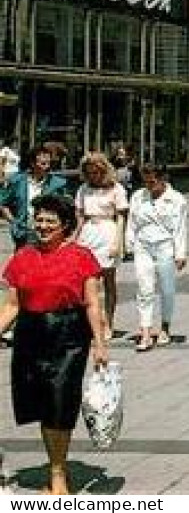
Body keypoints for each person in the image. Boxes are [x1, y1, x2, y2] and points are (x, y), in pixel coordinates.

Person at [0, 193, 110, 494]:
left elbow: (91, 304)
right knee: (41, 402)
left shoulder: (81, 256)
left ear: (65, 225)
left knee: (61, 401)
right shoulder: (23, 257)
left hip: (69, 336)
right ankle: (54, 463)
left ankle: (58, 472)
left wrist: (100, 343)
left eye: (50, 221)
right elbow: (12, 305)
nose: (43, 226)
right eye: (39, 220)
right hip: (30, 334)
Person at [127, 165, 188, 351]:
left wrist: (180, 253)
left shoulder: (177, 200)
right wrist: (128, 243)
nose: (149, 186)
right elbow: (132, 222)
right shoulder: (138, 196)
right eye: (145, 181)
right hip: (143, 245)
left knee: (167, 288)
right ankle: (145, 331)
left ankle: (165, 327)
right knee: (144, 287)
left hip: (165, 246)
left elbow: (180, 228)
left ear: (163, 179)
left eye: (152, 181)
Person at [73, 154, 129, 336]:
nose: (93, 176)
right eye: (89, 173)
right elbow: (80, 217)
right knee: (89, 282)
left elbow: (121, 217)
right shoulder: (83, 189)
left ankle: (108, 323)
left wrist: (118, 242)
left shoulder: (116, 189)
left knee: (109, 281)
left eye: (96, 172)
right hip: (89, 233)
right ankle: (93, 321)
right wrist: (74, 238)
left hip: (107, 231)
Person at [0, 147, 70, 249]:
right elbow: (3, 204)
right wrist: (14, 221)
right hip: (24, 232)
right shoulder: (17, 181)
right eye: (43, 163)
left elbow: (67, 208)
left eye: (49, 163)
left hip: (50, 232)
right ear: (32, 163)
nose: (47, 167)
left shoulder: (58, 183)